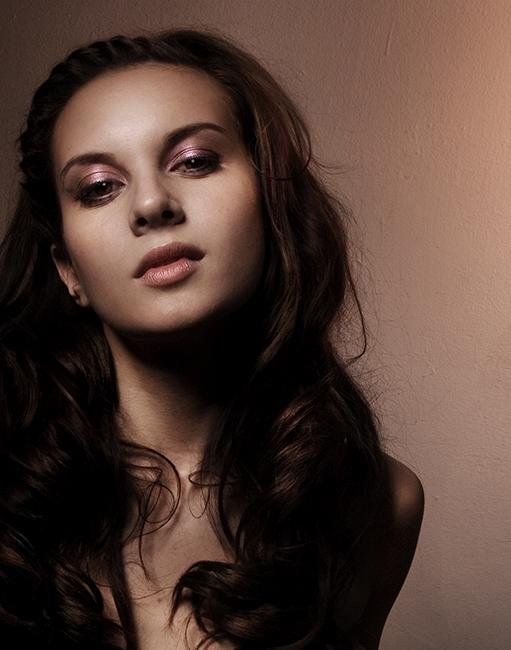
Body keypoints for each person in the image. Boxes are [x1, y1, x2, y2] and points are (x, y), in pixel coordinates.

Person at [0, 28, 424, 650]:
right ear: (68, 269)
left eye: (194, 161)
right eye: (99, 187)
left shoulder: (379, 504)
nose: (151, 203)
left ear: (270, 203)